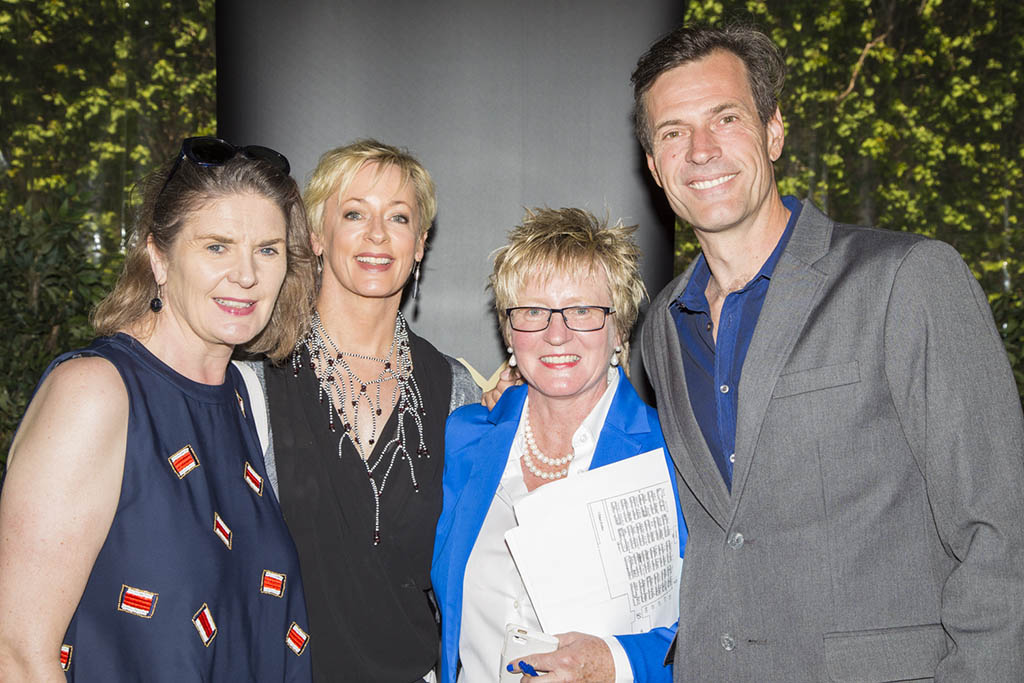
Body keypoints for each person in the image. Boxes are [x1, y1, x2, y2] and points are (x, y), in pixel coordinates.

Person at [632, 23, 1024, 680]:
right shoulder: (664, 328)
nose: (701, 150)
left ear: (773, 132)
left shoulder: (907, 279)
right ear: (654, 166)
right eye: (673, 132)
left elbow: (1003, 532)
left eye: (725, 118)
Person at [0, 137, 317, 681]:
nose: (247, 274)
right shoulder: (95, 392)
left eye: (268, 249)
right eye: (216, 246)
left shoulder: (236, 395)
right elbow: (18, 653)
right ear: (159, 258)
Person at [248, 139, 479, 682]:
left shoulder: (456, 389)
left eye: (398, 218)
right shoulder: (255, 378)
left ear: (420, 244)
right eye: (354, 214)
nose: (378, 234)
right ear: (316, 235)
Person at [432, 207, 687, 683]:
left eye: (582, 310)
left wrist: (616, 663)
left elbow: (717, 623)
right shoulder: (465, 438)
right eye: (533, 311)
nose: (556, 334)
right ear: (509, 332)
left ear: (619, 330)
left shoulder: (671, 455)